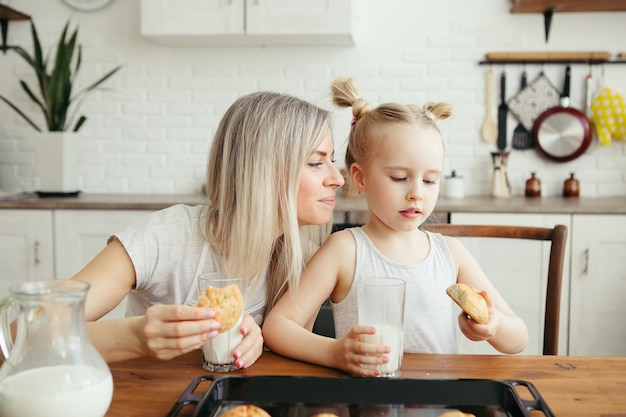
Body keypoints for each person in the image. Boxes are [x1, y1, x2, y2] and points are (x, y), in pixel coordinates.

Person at [262, 77, 528, 376]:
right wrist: (335, 352)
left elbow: (518, 338)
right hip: (365, 404)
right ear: (360, 178)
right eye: (400, 178)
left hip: (440, 405)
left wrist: (493, 326)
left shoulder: (450, 254)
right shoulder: (345, 250)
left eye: (430, 180)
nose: (417, 192)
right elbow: (277, 326)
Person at [71, 91, 345, 367]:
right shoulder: (166, 237)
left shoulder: (302, 259)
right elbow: (32, 327)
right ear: (263, 169)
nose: (337, 179)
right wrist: (136, 335)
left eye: (332, 161)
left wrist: (260, 342)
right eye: (316, 162)